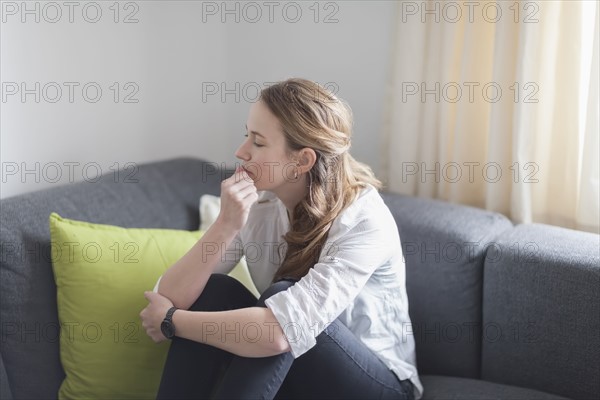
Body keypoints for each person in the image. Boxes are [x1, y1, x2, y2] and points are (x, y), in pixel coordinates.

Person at [139, 78, 423, 400]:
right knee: (217, 290)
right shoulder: (260, 204)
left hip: (380, 386)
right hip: (295, 370)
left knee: (282, 299)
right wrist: (226, 224)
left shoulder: (363, 220)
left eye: (258, 143)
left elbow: (277, 333)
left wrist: (172, 322)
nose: (240, 152)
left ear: (302, 161)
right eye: (246, 136)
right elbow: (171, 296)